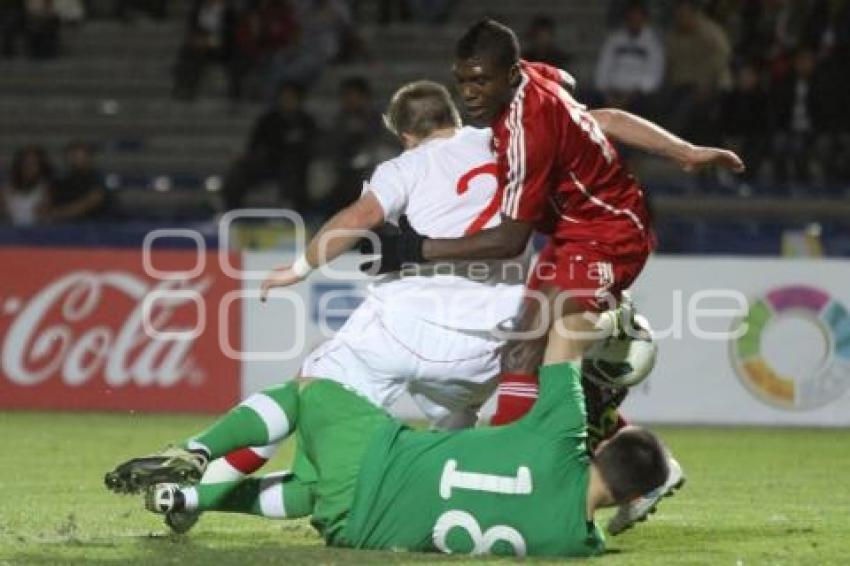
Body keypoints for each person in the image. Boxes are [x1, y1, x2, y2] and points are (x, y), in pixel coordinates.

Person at [360, 18, 743, 533]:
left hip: (608, 234)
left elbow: (509, 240)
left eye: (481, 81)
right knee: (526, 357)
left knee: (551, 356)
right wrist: (683, 151)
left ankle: (520, 484)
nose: (470, 94)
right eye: (463, 80)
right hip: (572, 236)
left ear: (511, 74)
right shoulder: (540, 79)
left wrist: (413, 248)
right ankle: (638, 464)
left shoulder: (524, 130)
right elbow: (600, 117)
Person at [106, 361, 669, 557]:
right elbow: (596, 533)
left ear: (600, 445)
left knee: (310, 390)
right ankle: (184, 497)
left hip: (380, 462)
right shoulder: (577, 546)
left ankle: (195, 457)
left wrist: (600, 303)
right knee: (309, 488)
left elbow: (567, 327)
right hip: (361, 531)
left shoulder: (558, 436)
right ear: (627, 495)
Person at [221, 82, 317, 212]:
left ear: (299, 99)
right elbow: (254, 145)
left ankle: (291, 210)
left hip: (295, 167)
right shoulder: (269, 119)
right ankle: (231, 209)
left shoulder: (306, 121)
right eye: (284, 97)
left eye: (291, 97)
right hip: (269, 162)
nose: (286, 100)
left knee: (293, 170)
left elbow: (312, 147)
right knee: (238, 171)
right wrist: (246, 157)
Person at [594, 0, 664, 112]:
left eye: (638, 17)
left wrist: (629, 97)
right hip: (612, 93)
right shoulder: (614, 40)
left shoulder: (652, 43)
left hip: (637, 96)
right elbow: (603, 68)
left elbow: (653, 76)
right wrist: (608, 95)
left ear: (645, 19)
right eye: (631, 17)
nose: (634, 20)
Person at [45, 141, 108, 222]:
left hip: (98, 226)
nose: (73, 159)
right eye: (71, 156)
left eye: (77, 156)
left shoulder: (97, 178)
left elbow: (91, 202)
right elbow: (49, 201)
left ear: (88, 158)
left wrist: (59, 213)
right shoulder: (63, 180)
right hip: (68, 227)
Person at [0, 145, 53, 226]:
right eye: (25, 163)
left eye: (33, 163)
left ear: (40, 166)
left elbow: (46, 214)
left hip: (36, 232)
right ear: (19, 165)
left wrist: (44, 212)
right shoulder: (5, 187)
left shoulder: (45, 188)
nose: (29, 167)